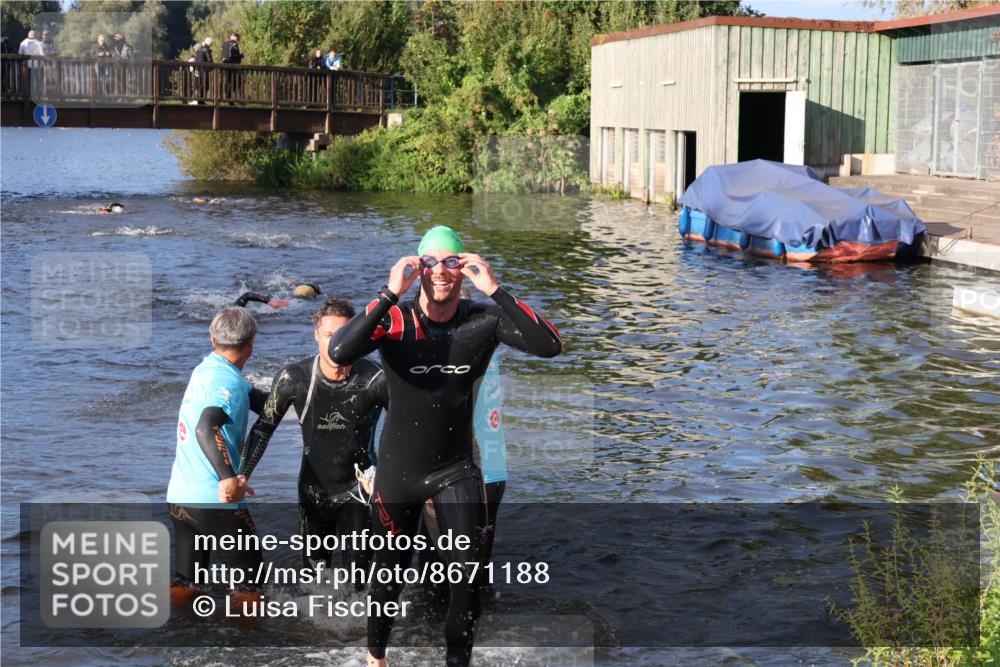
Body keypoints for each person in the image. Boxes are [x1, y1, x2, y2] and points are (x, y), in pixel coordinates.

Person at [329, 225, 562, 667]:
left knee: (468, 577)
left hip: (455, 468)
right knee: (390, 575)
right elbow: (340, 352)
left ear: (463, 269)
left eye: (452, 262)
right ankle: (375, 657)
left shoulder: (483, 320)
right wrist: (387, 293)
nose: (441, 271)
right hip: (399, 472)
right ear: (417, 270)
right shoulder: (394, 320)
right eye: (430, 262)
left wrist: (496, 288)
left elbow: (550, 345)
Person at [240, 297, 387, 576]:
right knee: (313, 580)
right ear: (316, 335)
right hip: (313, 490)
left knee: (360, 578)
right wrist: (242, 475)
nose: (335, 343)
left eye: (344, 335)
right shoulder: (293, 378)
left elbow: (403, 429)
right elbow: (264, 427)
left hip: (361, 491)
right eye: (329, 335)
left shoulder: (375, 378)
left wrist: (390, 476)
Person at [166, 306, 269, 609]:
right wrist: (228, 478)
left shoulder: (206, 369)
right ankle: (248, 652)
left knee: (187, 582)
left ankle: (177, 642)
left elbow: (265, 404)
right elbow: (205, 426)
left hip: (180, 498)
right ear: (251, 344)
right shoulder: (229, 384)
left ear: (213, 340)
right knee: (250, 582)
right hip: (215, 499)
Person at [220, 32, 242, 99]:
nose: (237, 40)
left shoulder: (224, 44)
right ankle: (230, 97)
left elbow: (222, 54)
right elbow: (235, 56)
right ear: (235, 37)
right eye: (237, 38)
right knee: (233, 81)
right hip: (232, 65)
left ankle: (224, 96)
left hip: (224, 65)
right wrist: (241, 55)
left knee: (226, 81)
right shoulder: (234, 44)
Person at [192, 36, 213, 103]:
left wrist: (195, 69)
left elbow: (196, 60)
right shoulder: (206, 50)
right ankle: (202, 100)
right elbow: (210, 61)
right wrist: (210, 68)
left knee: (198, 85)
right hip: (204, 71)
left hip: (198, 70)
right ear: (210, 43)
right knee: (204, 85)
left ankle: (197, 99)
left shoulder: (199, 49)